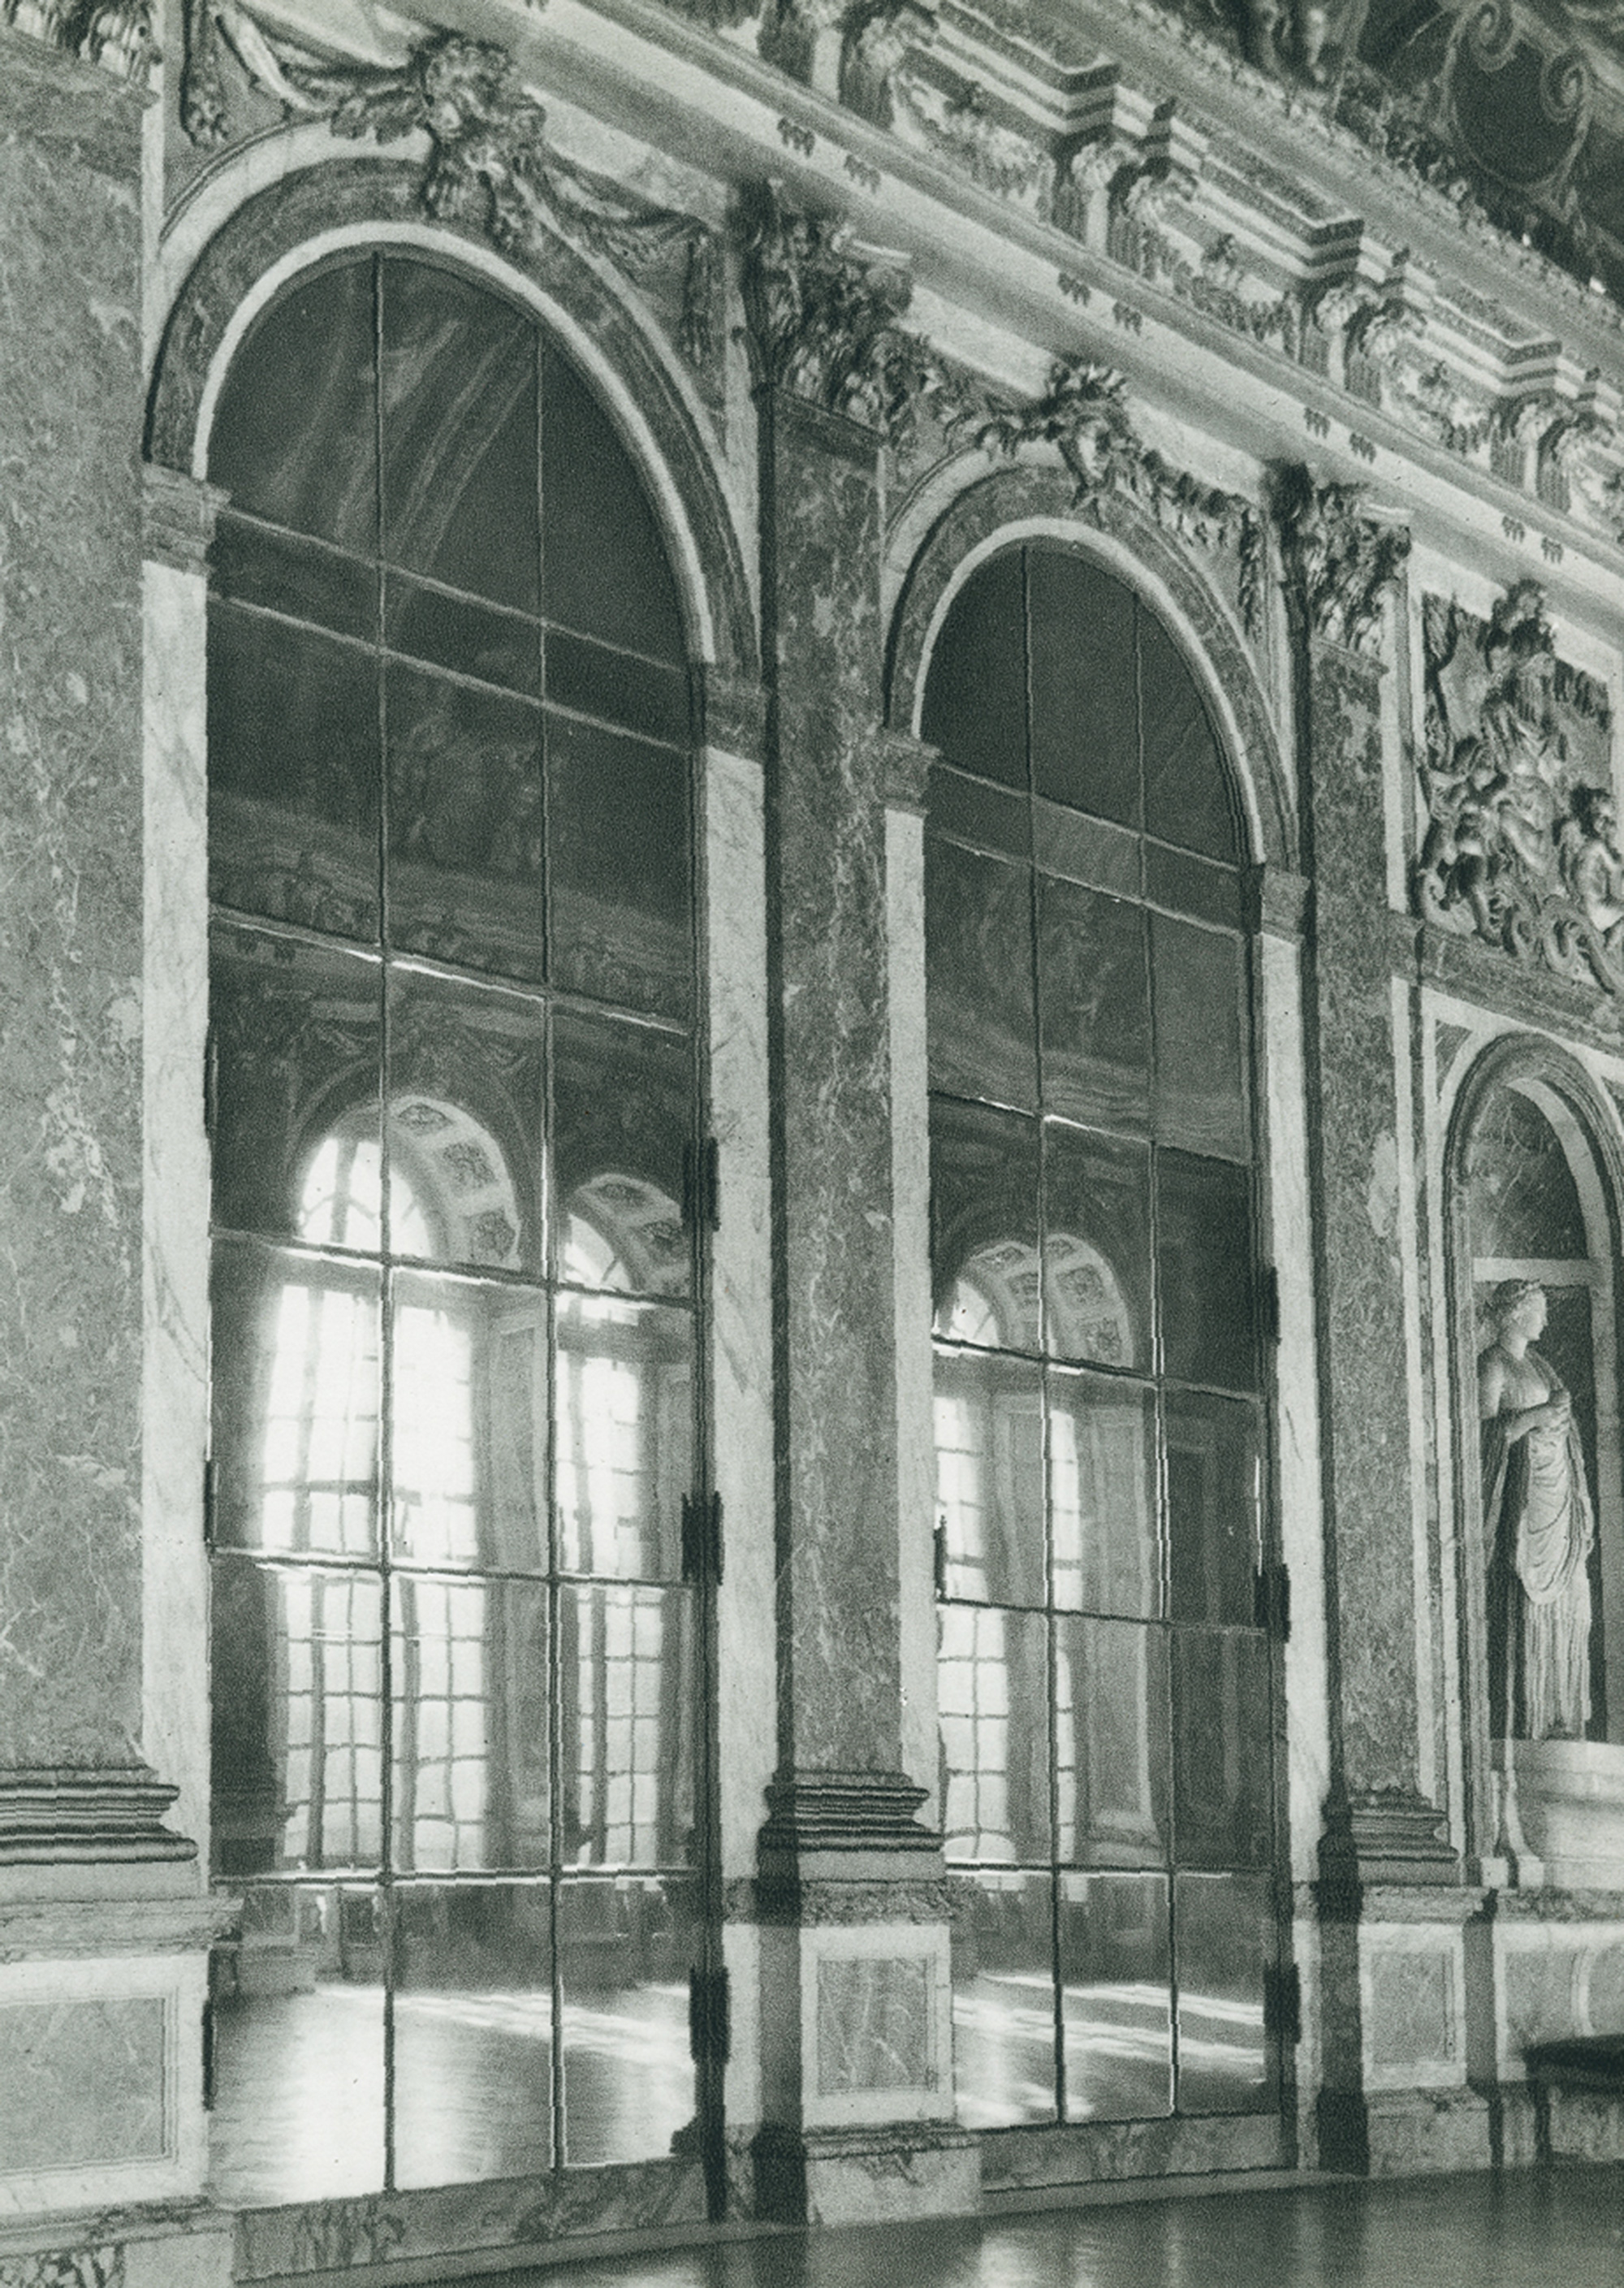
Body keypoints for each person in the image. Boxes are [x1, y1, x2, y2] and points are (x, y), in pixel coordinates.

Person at [1479, 1278, 1594, 1741]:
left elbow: (1558, 1424)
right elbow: (1484, 1436)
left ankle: (1558, 1719)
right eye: (1539, 1308)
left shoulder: (1542, 1366)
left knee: (1569, 1605)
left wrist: (1555, 1419)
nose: (1545, 1318)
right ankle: (1522, 1720)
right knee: (1520, 1604)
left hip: (1556, 1497)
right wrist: (1536, 1418)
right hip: (1521, 1509)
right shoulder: (1494, 1363)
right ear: (1515, 1313)